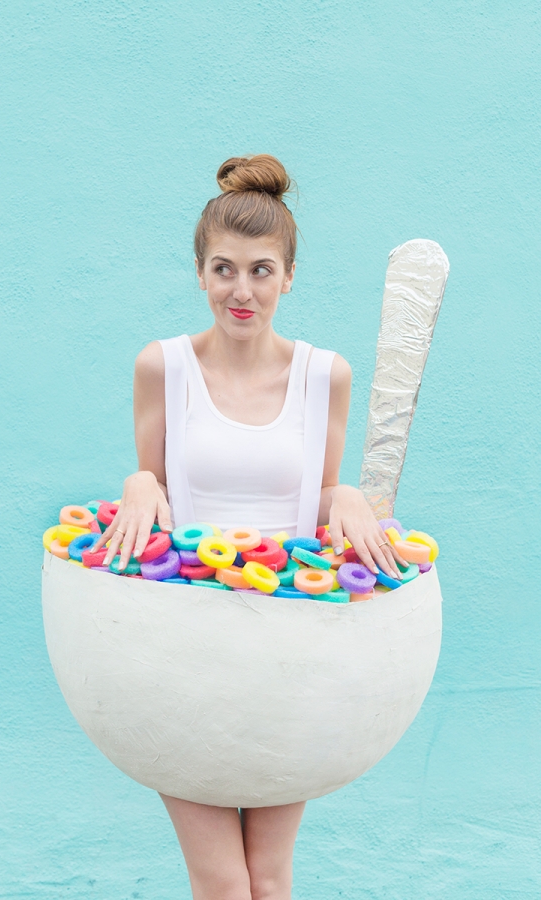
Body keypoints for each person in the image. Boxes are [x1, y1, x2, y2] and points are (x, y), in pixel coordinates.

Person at [93, 154, 406, 900]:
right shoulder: (160, 366)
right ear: (200, 272)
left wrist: (348, 499)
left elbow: (322, 490)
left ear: (289, 276)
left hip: (285, 652)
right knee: (225, 884)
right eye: (224, 269)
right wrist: (138, 482)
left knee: (268, 878)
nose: (242, 291)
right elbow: (155, 489)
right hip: (184, 648)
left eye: (261, 271)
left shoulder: (324, 374)